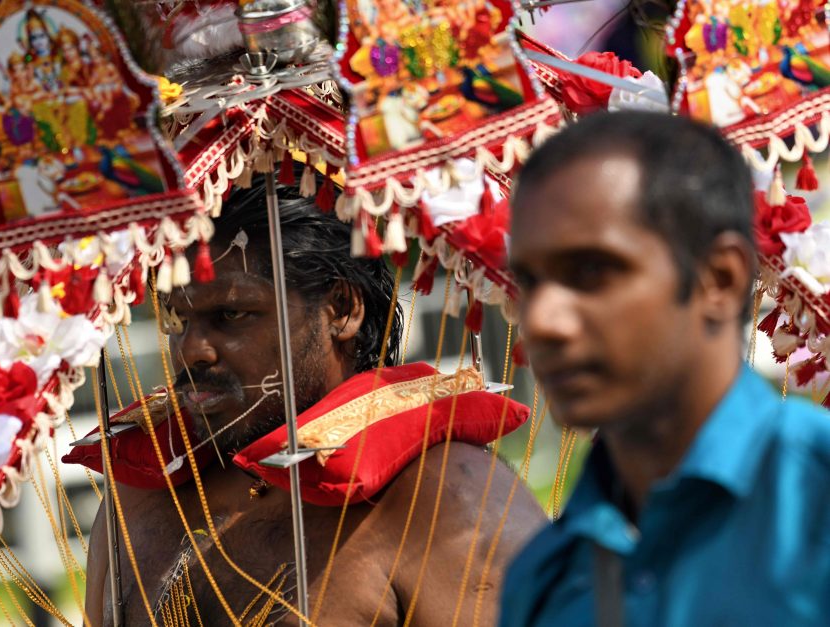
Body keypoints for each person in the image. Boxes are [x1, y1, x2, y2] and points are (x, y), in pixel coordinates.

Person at [82, 173, 545, 626]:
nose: (192, 350)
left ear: (342, 310)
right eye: (179, 321)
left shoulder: (445, 497)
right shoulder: (138, 495)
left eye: (232, 314)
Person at [499, 112, 830, 627]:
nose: (542, 322)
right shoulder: (545, 578)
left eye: (591, 271)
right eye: (529, 282)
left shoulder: (812, 502)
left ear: (719, 279)